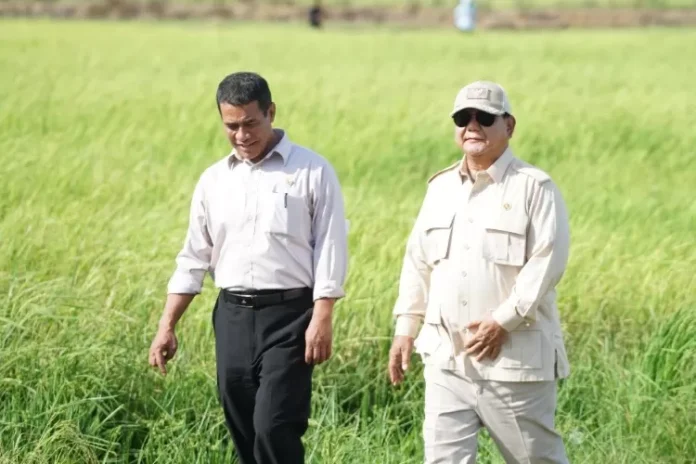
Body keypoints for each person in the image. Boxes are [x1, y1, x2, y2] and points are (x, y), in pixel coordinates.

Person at [148, 71, 348, 464]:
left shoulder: (312, 171)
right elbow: (194, 256)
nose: (242, 135)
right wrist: (167, 325)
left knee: (274, 426)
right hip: (232, 317)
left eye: (250, 123)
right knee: (243, 428)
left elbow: (331, 246)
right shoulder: (213, 181)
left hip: (291, 317)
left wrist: (322, 315)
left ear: (271, 112)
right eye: (231, 126)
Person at [388, 80, 571, 463]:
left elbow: (547, 263)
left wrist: (502, 322)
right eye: (463, 118)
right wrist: (406, 327)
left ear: (509, 125)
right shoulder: (440, 188)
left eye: (484, 118)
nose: (472, 126)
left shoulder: (534, 188)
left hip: (514, 363)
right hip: (446, 360)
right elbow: (417, 262)